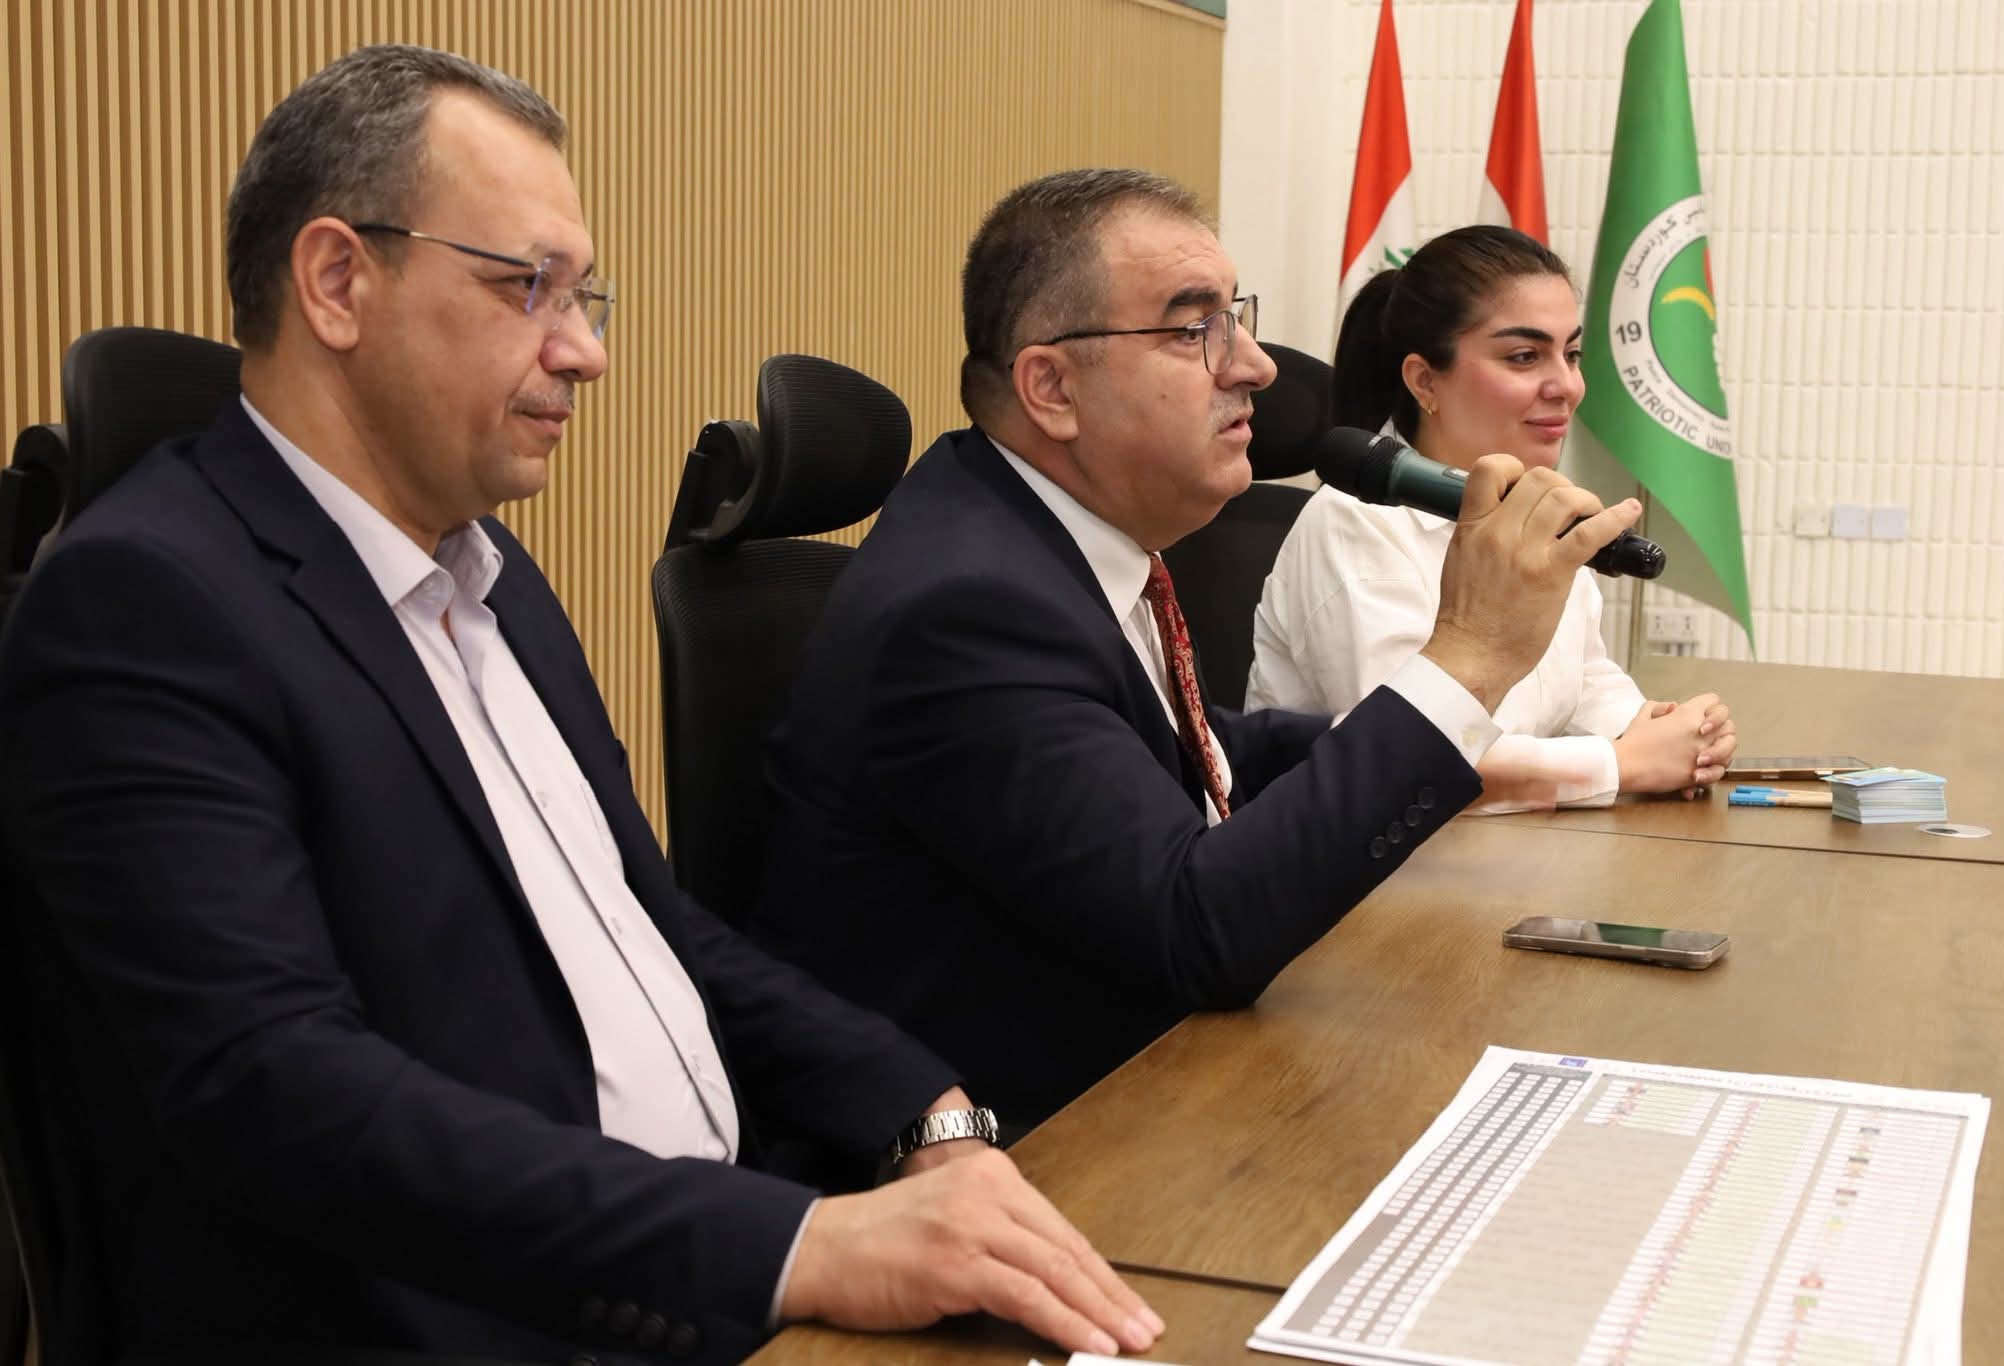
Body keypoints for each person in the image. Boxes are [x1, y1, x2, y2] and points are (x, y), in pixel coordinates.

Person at [0, 46, 1164, 1365]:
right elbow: (277, 1091)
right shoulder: (145, 603)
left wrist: (925, 1110)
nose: (586, 351)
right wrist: (793, 1246)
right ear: (336, 282)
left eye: (584, 295)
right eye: (528, 287)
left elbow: (652, 924)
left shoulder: (489, 572)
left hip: (706, 1261)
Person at [750, 171, 1642, 1132]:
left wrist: (1460, 761)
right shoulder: (967, 606)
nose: (1255, 365)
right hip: (1043, 1143)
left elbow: (1200, 750)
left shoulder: (1043, 533)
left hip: (1151, 1079)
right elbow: (1197, 929)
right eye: (1194, 329)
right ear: (1052, 388)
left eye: (1236, 318)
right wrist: (1467, 656)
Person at [1246, 226, 1737, 814]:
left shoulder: (1532, 503)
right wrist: (1623, 763)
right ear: (1424, 380)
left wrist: (1665, 729)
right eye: (1525, 357)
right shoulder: (1354, 523)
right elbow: (1408, 759)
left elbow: (1585, 680)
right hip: (1381, 868)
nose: (1567, 386)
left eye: (1571, 354)